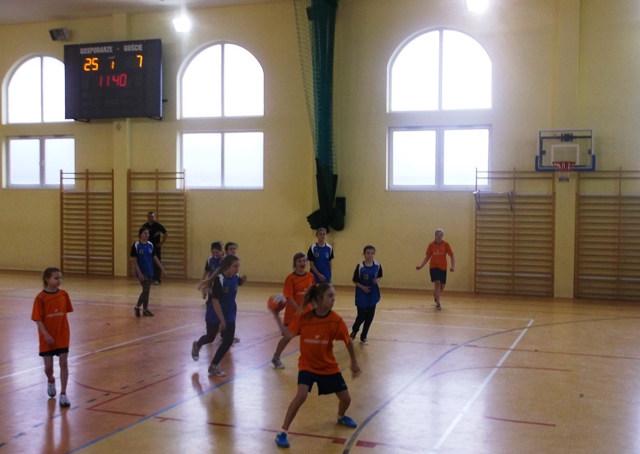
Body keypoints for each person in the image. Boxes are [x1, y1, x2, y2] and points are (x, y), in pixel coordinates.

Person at [272, 283, 362, 449]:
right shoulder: (304, 317)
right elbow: (287, 335)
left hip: (328, 366)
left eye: (334, 296)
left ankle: (341, 416)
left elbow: (347, 341)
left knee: (346, 399)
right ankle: (282, 432)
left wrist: (354, 361)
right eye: (330, 296)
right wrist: (276, 316)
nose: (333, 299)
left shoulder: (335, 320)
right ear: (319, 298)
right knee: (301, 395)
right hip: (307, 365)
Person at [192, 254, 247, 376]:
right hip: (215, 313)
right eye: (235, 266)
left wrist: (242, 281)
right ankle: (198, 344)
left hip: (230, 312)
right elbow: (215, 301)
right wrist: (222, 320)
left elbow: (237, 283)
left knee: (228, 341)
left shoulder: (236, 276)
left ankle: (213, 366)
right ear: (227, 266)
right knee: (210, 337)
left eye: (238, 266)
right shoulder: (219, 280)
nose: (237, 268)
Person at [31, 267, 74, 408]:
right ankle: (50, 380)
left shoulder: (64, 294)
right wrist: (46, 334)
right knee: (48, 367)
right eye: (56, 278)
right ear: (47, 279)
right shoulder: (40, 298)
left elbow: (64, 313)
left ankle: (63, 394)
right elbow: (37, 319)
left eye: (60, 278)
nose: (59, 280)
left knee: (64, 363)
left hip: (62, 335)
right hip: (47, 337)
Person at [270, 252, 316, 369]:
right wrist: (299, 310)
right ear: (295, 263)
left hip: (308, 314)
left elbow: (313, 293)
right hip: (293, 315)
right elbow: (288, 297)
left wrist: (314, 306)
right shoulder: (290, 278)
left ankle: (310, 359)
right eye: (299, 261)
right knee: (287, 337)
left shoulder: (310, 276)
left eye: (304, 261)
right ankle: (276, 357)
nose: (302, 263)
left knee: (310, 338)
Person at [350, 245, 383, 345]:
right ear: (364, 254)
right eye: (368, 253)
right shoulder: (360, 266)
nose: (370, 255)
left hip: (372, 293)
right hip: (362, 293)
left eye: (372, 253)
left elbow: (380, 276)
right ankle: (354, 331)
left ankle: (364, 336)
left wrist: (377, 280)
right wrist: (363, 287)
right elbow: (355, 280)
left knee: (369, 317)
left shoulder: (377, 265)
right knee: (361, 316)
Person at [130, 226, 167, 317]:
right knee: (146, 289)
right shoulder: (136, 245)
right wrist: (139, 273)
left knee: (147, 291)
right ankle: (137, 307)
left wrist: (162, 269)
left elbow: (155, 258)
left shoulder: (150, 245)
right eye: (145, 233)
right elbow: (134, 262)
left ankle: (145, 309)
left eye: (148, 233)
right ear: (140, 234)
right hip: (141, 272)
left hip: (150, 270)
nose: (147, 235)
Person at [416, 228, 455, 310]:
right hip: (433, 267)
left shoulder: (446, 244)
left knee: (442, 286)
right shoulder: (431, 245)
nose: (439, 236)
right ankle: (438, 303)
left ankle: (436, 295)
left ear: (442, 236)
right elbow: (427, 257)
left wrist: (453, 266)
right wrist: (421, 266)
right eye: (438, 235)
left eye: (441, 235)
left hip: (443, 267)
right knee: (437, 283)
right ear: (435, 235)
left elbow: (452, 255)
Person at [141, 211, 168, 285]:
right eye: (150, 216)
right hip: (147, 247)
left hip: (155, 247)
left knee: (157, 263)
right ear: (147, 217)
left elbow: (166, 233)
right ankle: (148, 278)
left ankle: (157, 279)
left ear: (154, 217)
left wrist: (161, 243)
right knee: (147, 263)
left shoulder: (158, 225)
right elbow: (141, 236)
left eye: (152, 216)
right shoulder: (145, 226)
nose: (151, 218)